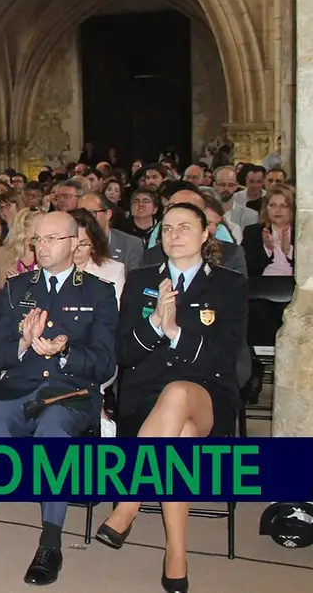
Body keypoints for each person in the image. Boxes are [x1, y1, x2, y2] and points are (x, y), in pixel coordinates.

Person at [0, 211, 118, 586]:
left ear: (74, 243)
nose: (42, 247)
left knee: (53, 432)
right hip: (19, 389)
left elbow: (105, 362)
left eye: (52, 239)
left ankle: (50, 542)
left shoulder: (97, 292)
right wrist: (22, 343)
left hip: (71, 394)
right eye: (38, 240)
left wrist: (64, 352)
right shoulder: (16, 289)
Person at [96, 203, 247, 593]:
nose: (174, 234)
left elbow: (225, 356)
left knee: (179, 391)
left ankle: (129, 504)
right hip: (146, 404)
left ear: (205, 235)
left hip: (207, 396)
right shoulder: (142, 279)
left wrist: (176, 331)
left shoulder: (229, 285)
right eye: (167, 229)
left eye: (184, 227)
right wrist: (154, 325)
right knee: (177, 441)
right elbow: (124, 353)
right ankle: (176, 555)